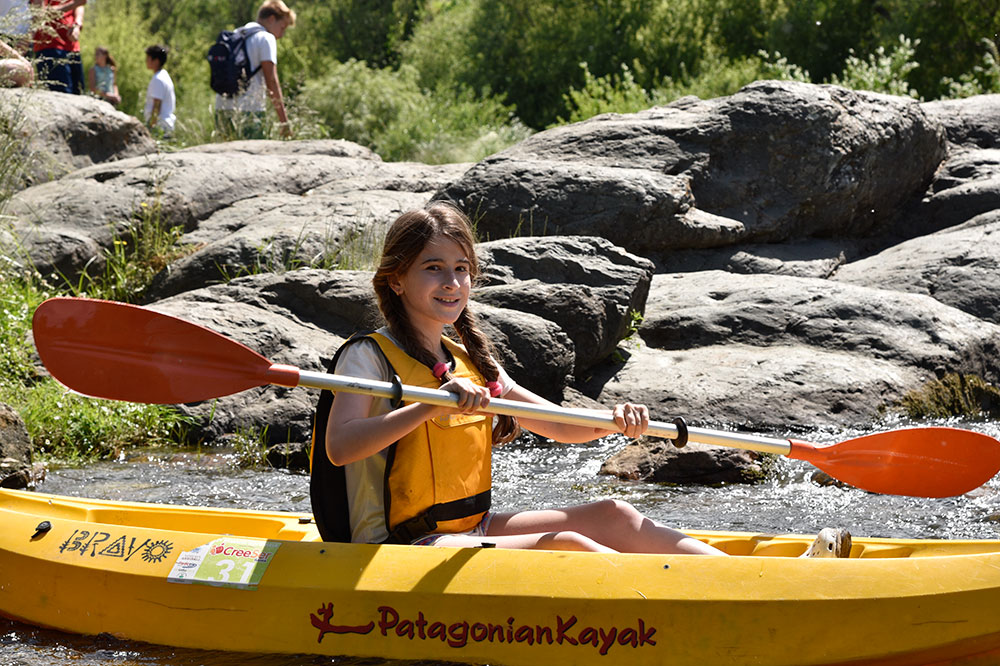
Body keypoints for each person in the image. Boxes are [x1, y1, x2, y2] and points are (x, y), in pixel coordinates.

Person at [310, 204, 744, 555]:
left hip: (470, 526)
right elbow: (340, 447)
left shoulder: (470, 360)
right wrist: (429, 405)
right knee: (568, 545)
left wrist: (614, 420)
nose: (452, 282)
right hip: (405, 544)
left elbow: (556, 424)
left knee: (617, 514)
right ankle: (675, 609)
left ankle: (738, 583)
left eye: (461, 268)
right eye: (433, 268)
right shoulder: (367, 357)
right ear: (397, 280)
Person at [214, 0, 295, 140]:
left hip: (222, 108)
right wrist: (284, 122)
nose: (281, 35)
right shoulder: (266, 38)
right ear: (271, 19)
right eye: (282, 28)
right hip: (250, 111)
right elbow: (272, 81)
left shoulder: (236, 34)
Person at [30, 0, 86, 94]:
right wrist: (73, 4)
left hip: (73, 47)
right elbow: (40, 14)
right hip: (49, 47)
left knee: (79, 93)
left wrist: (77, 24)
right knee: (61, 95)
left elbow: (80, 4)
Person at [143, 44, 175, 137]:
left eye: (148, 58)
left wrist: (151, 128)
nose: (146, 61)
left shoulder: (158, 79)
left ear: (156, 61)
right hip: (166, 126)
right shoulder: (164, 75)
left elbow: (156, 107)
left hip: (160, 129)